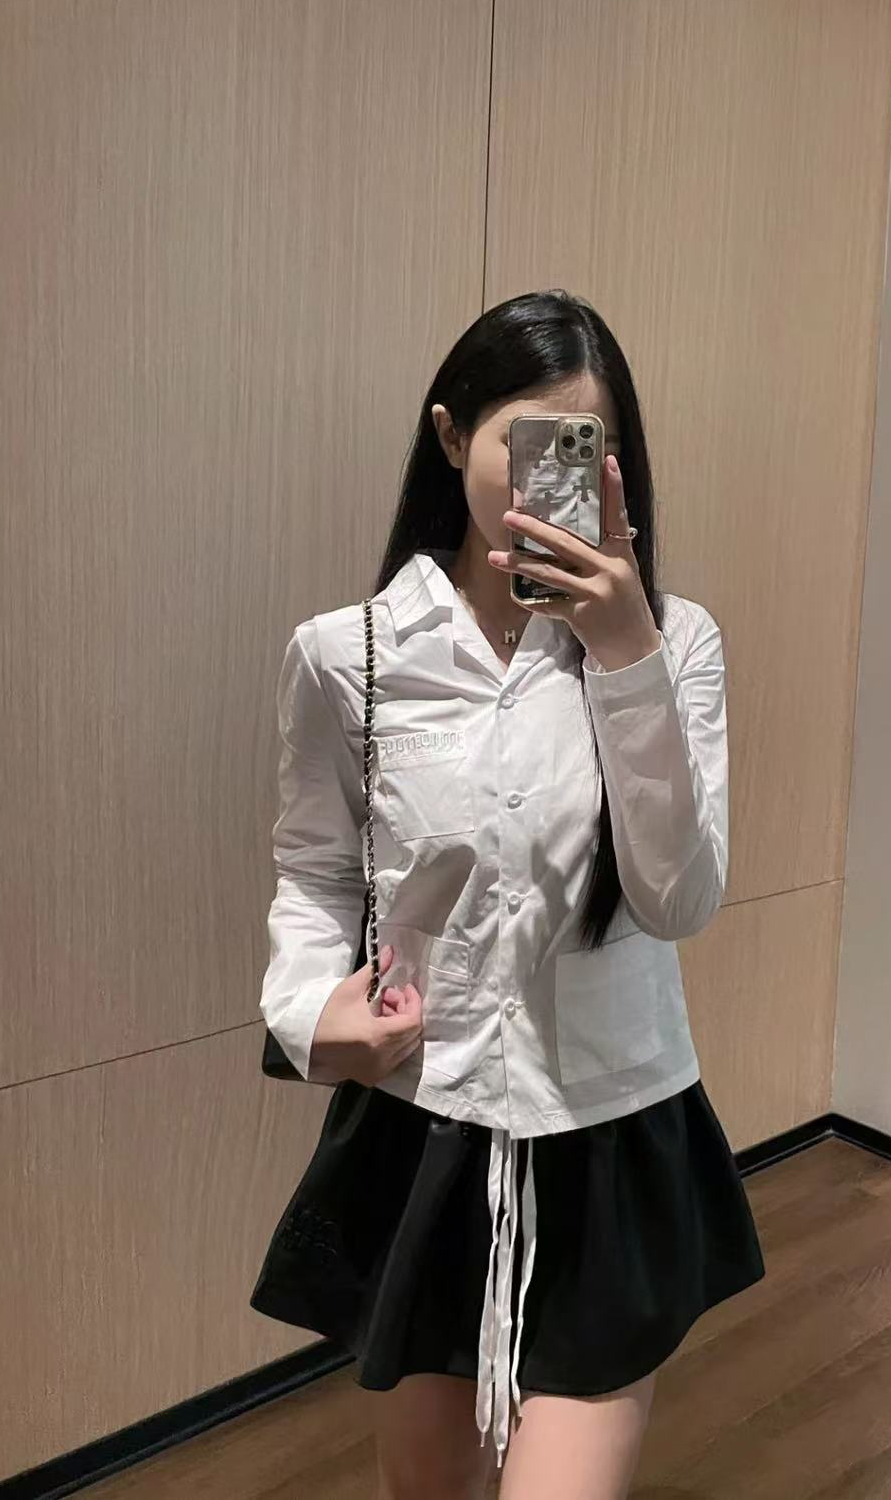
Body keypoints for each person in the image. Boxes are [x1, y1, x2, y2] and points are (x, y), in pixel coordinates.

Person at [250, 289, 766, 1500]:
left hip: (609, 1132)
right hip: (421, 1129)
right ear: (449, 436)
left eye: (585, 448)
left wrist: (626, 655)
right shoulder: (348, 654)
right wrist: (305, 1011)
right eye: (522, 441)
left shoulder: (676, 642)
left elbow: (677, 899)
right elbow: (315, 871)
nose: (550, 481)